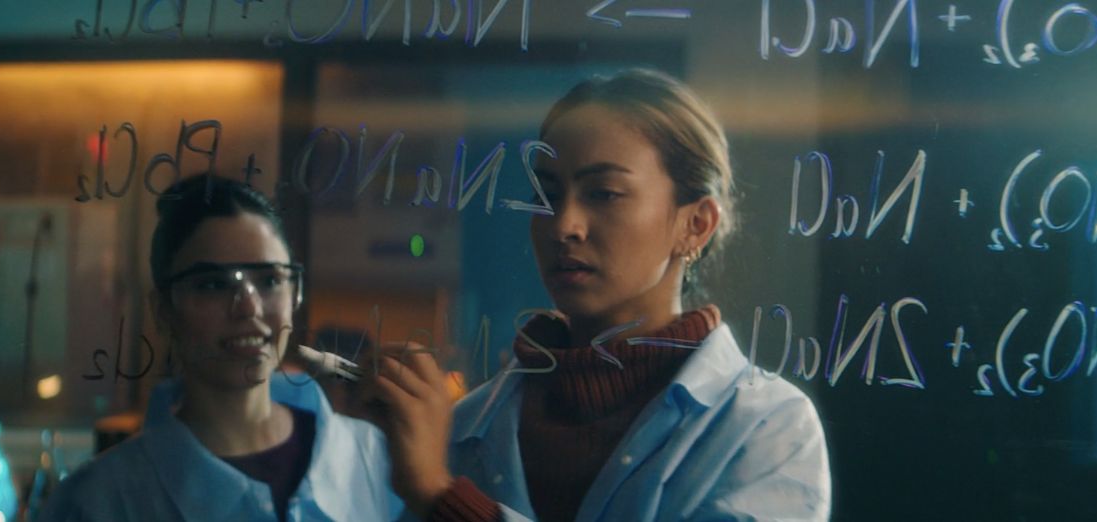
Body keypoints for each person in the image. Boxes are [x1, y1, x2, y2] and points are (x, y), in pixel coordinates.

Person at [370, 69, 832, 521]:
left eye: (604, 194)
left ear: (696, 224)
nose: (564, 224)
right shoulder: (465, 426)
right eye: (547, 194)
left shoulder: (766, 427)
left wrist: (445, 500)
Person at [42, 175, 404, 521]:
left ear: (295, 293)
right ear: (164, 310)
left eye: (269, 280)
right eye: (213, 284)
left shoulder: (373, 458)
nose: (248, 307)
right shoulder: (98, 502)